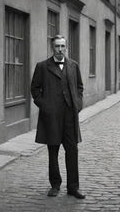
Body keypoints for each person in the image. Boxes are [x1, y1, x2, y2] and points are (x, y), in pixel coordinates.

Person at [31, 34, 85, 199]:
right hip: (51, 117)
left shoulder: (73, 66)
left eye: (62, 46)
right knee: (52, 152)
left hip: (70, 117)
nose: (60, 49)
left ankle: (73, 187)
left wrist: (78, 104)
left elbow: (79, 87)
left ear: (66, 47)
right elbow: (35, 90)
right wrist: (45, 106)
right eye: (57, 46)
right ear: (52, 47)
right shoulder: (42, 66)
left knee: (72, 151)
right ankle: (55, 185)